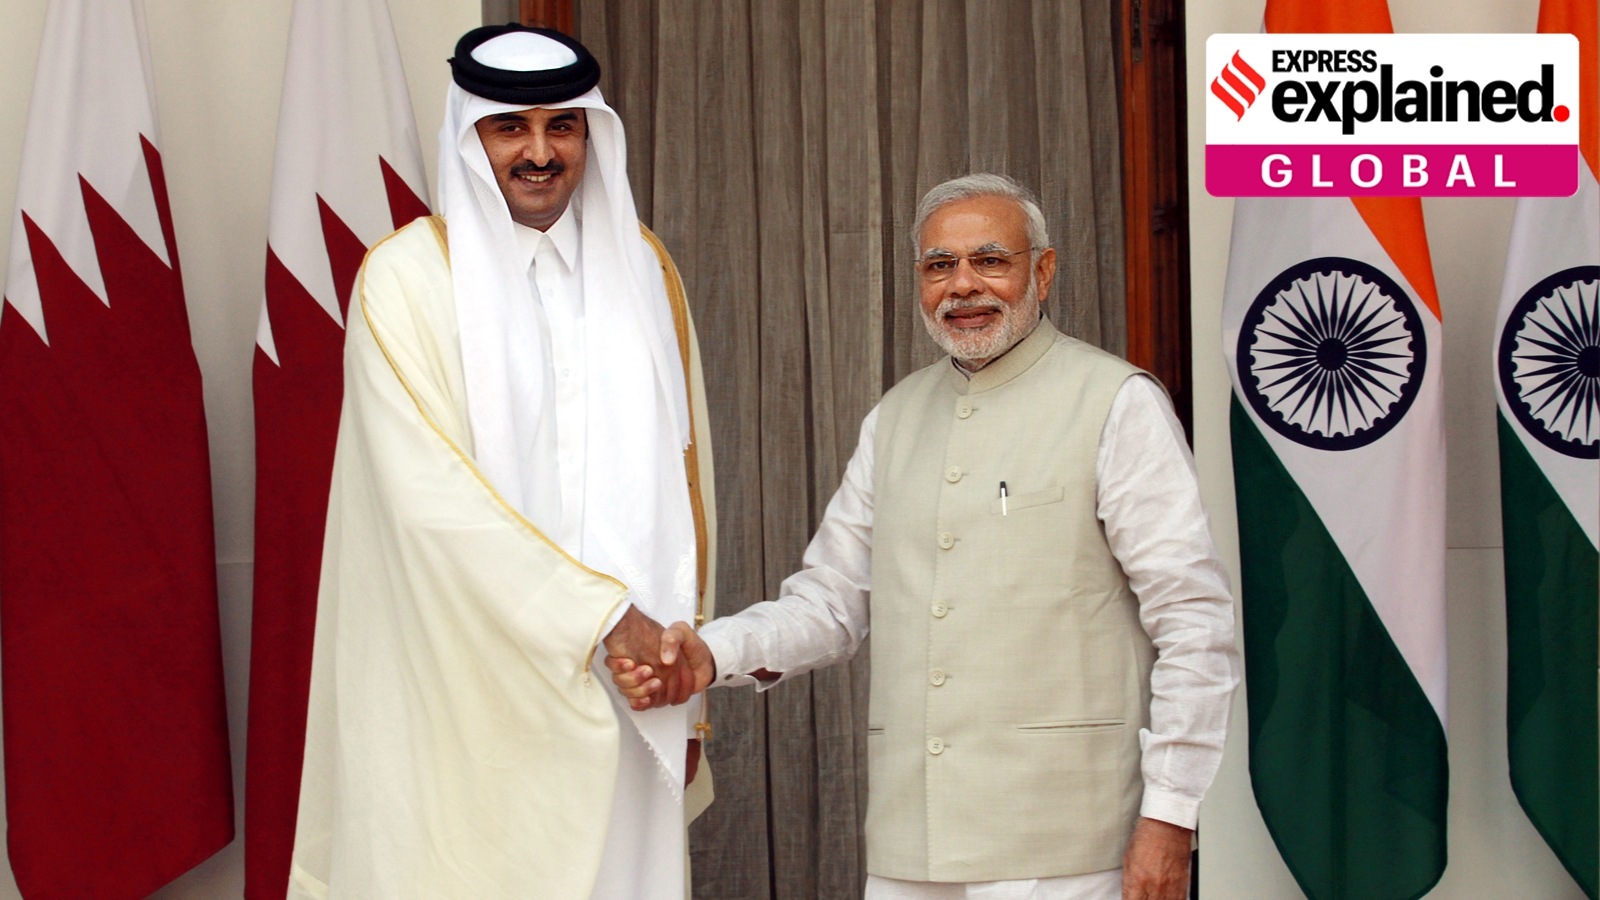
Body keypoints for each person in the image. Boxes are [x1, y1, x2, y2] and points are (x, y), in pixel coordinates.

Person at [614, 174, 1239, 900]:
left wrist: (1171, 816)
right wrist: (710, 651)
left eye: (991, 260)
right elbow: (829, 605)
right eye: (940, 265)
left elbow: (1194, 622)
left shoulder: (1116, 403)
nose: (963, 286)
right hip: (912, 846)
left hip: (1068, 850)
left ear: (1043, 270)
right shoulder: (896, 417)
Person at [290, 24, 714, 899]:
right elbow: (429, 502)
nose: (540, 151)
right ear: (470, 135)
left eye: (563, 127)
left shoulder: (645, 269)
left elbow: (687, 482)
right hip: (463, 680)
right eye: (510, 127)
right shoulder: (406, 280)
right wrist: (600, 618)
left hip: (628, 691)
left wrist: (677, 667)